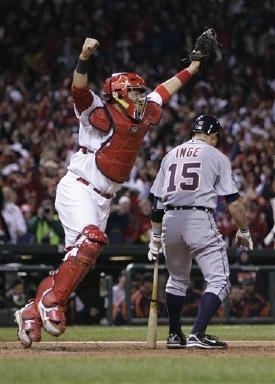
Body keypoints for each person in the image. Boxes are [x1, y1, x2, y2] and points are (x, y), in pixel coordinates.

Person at [15, 29, 217, 348]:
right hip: (79, 188)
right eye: (134, 92)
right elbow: (78, 89)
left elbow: (165, 90)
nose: (140, 97)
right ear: (119, 94)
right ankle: (52, 301)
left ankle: (31, 311)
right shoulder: (98, 110)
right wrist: (83, 59)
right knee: (91, 241)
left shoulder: (145, 111)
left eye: (140, 92)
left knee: (79, 261)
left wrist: (193, 67)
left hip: (104, 198)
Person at [148, 114, 253, 349]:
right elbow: (233, 202)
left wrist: (155, 236)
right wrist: (244, 229)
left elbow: (156, 201)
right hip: (198, 217)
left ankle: (175, 335)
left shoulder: (170, 155)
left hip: (170, 219)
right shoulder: (217, 156)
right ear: (214, 136)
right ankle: (197, 333)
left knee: (176, 280)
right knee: (219, 280)